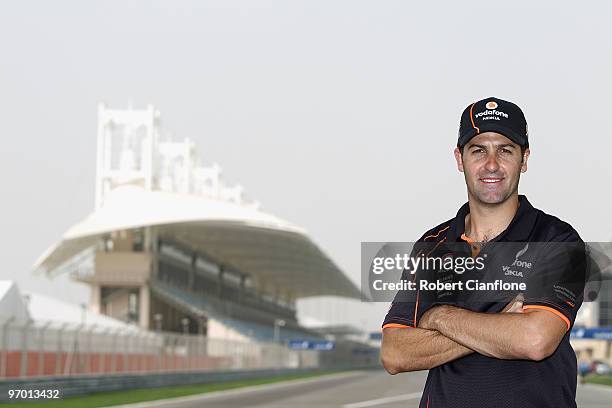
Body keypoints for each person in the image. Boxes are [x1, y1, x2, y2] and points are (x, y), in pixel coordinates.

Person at [380, 97, 586, 408]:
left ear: (524, 159)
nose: (491, 164)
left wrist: (440, 316)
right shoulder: (433, 245)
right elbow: (395, 353)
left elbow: (535, 340)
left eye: (505, 150)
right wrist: (500, 324)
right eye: (478, 150)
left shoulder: (558, 240)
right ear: (459, 159)